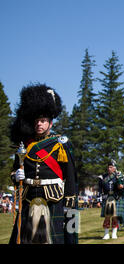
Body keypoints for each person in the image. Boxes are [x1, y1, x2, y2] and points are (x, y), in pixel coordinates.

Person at [9, 84, 78, 244]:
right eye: (37, 121)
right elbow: (14, 172)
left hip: (53, 200)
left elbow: (70, 176)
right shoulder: (25, 145)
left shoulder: (61, 143)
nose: (39, 124)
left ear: (50, 123)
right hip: (28, 200)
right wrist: (16, 176)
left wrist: (70, 203)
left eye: (43, 121)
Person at [98, 160, 121, 239]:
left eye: (111, 167)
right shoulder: (102, 177)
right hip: (106, 198)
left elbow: (120, 188)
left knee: (115, 216)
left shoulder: (117, 176)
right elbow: (99, 189)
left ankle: (114, 233)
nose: (109, 168)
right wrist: (98, 200)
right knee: (107, 216)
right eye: (108, 167)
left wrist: (118, 178)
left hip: (115, 198)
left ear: (114, 168)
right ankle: (106, 233)